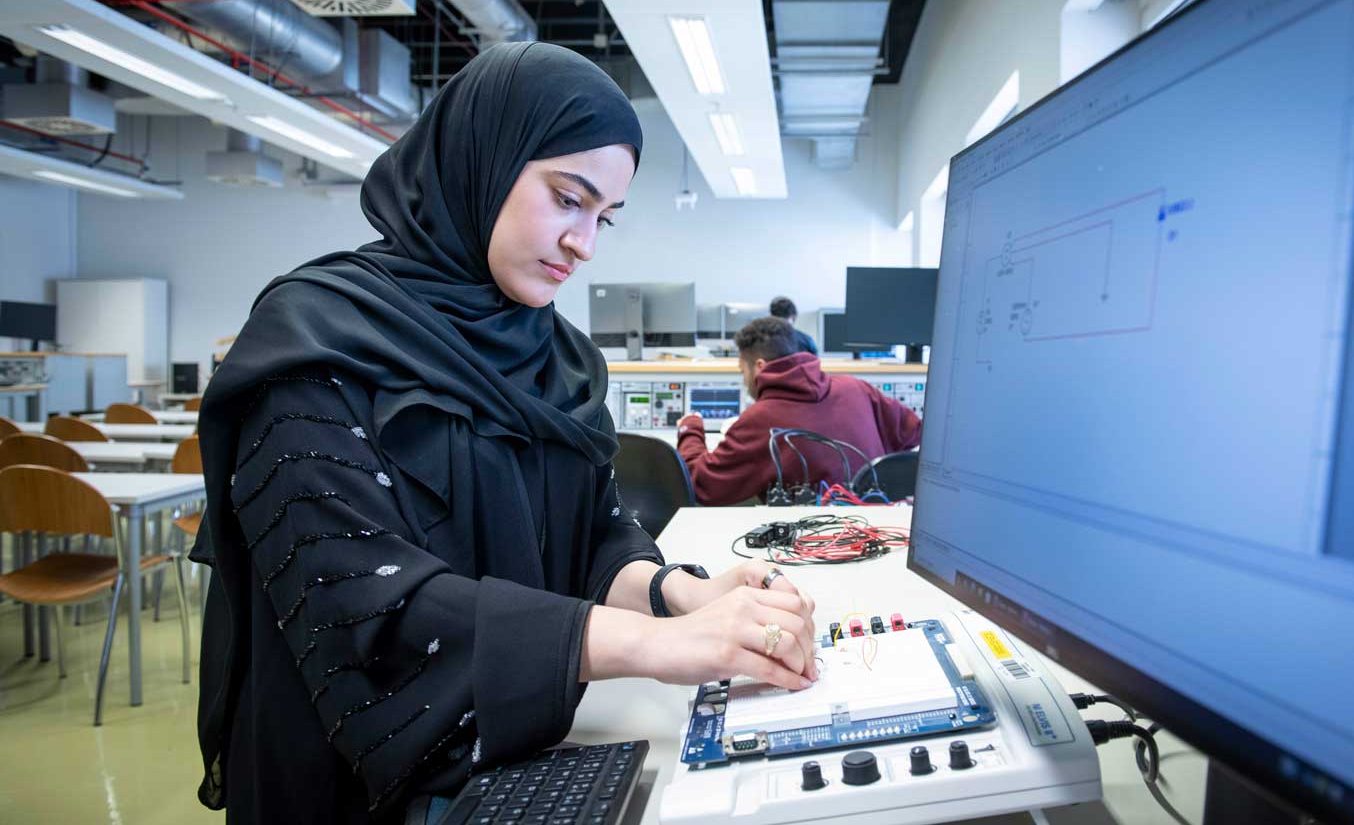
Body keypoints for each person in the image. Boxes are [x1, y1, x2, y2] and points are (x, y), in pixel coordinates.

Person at [191, 43, 818, 825]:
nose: (583, 243)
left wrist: (678, 595)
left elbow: (589, 537)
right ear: (481, 163)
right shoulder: (313, 345)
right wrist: (658, 648)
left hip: (517, 759)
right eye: (567, 198)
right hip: (358, 787)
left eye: (604, 217)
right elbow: (364, 611)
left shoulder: (552, 356)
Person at [677, 317, 921, 505]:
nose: (743, 380)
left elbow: (703, 486)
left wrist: (690, 429)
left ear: (759, 367)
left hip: (805, 545)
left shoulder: (760, 418)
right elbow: (915, 434)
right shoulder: (857, 387)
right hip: (875, 534)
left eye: (743, 371)